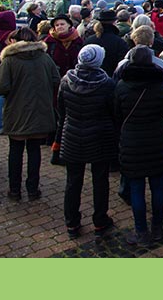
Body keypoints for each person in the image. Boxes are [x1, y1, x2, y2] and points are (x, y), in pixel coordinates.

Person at [114, 46, 163, 246]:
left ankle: (141, 231)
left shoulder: (122, 85)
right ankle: (157, 228)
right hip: (156, 140)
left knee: (137, 189)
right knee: (158, 187)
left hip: (132, 142)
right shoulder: (160, 85)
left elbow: (117, 114)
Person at [0, 27, 60, 201]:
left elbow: (0, 88)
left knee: (15, 152)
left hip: (16, 112)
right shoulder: (45, 58)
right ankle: (32, 189)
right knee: (34, 151)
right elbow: (56, 80)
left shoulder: (9, 61)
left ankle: (14, 190)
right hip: (39, 111)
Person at [56, 44, 117, 239]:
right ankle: (100, 220)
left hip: (73, 134)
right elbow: (113, 111)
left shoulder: (66, 80)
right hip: (99, 136)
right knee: (100, 180)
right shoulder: (106, 84)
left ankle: (71, 222)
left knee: (73, 181)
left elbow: (61, 110)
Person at [84, 10, 129, 78]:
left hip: (90, 80)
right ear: (114, 22)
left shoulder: (89, 40)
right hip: (111, 80)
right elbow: (122, 66)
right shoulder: (119, 42)